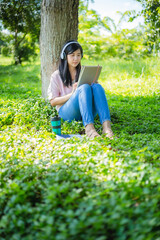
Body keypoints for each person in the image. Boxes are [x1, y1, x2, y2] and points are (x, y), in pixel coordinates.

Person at [48, 40, 114, 139]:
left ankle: (107, 128)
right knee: (83, 87)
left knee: (97, 87)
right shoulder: (56, 75)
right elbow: (53, 102)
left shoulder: (83, 71)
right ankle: (90, 129)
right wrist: (73, 94)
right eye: (72, 55)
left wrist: (93, 86)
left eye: (78, 55)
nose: (76, 58)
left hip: (85, 111)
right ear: (65, 56)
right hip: (66, 113)